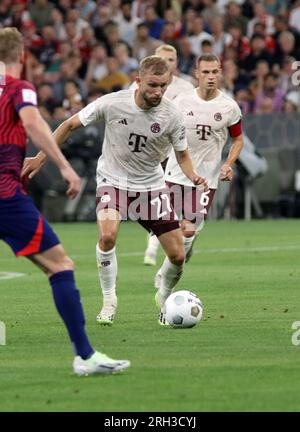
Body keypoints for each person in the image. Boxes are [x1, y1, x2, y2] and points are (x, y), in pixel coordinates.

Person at [22, 55, 208, 327]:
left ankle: (165, 297)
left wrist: (193, 175)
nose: (157, 92)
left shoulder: (172, 116)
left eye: (163, 86)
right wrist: (40, 157)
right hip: (113, 180)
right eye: (152, 85)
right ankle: (109, 300)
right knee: (107, 236)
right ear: (138, 81)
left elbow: (182, 155)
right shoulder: (112, 103)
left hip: (151, 187)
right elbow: (69, 125)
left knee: (178, 256)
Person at [0, 27, 130, 376]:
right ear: (22, 56)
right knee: (61, 266)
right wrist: (63, 165)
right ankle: (85, 356)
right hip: (5, 195)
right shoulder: (19, 89)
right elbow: (31, 122)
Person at [150, 54, 244, 282]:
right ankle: (170, 260)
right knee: (171, 231)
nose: (211, 77)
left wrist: (228, 164)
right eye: (206, 72)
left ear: (220, 73)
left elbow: (238, 139)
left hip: (205, 181)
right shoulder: (181, 102)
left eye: (215, 72)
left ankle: (163, 274)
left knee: (189, 232)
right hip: (175, 174)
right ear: (197, 74)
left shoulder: (229, 107)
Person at [141, 44, 195, 266]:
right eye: (162, 59)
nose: (167, 63)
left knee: (178, 209)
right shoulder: (141, 86)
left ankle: (164, 250)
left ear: (176, 62)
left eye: (171, 59)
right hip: (151, 153)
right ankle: (155, 248)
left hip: (178, 151)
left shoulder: (187, 87)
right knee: (160, 202)